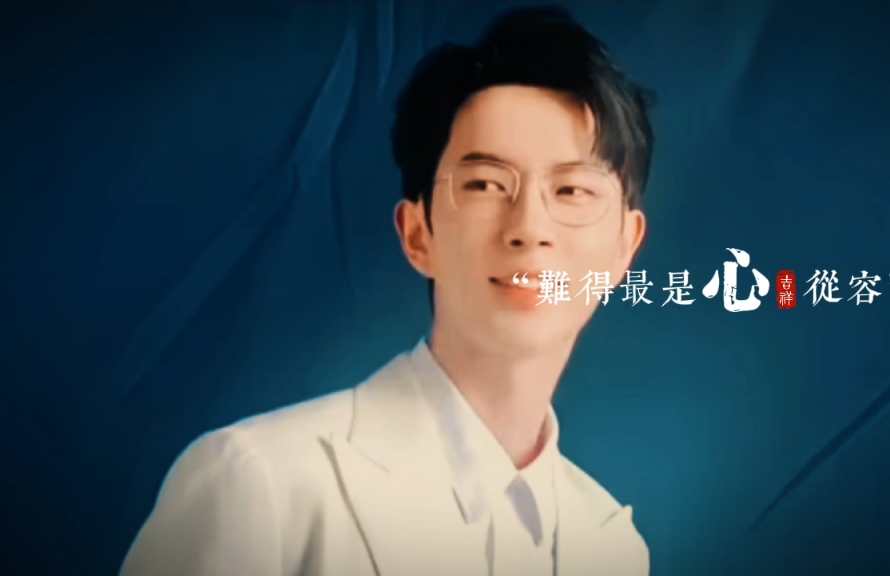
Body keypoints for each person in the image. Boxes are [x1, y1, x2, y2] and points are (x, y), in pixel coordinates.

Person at [121, 6, 654, 576]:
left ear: (625, 247)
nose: (529, 228)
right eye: (485, 184)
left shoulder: (614, 548)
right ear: (417, 233)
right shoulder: (258, 485)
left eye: (572, 190)